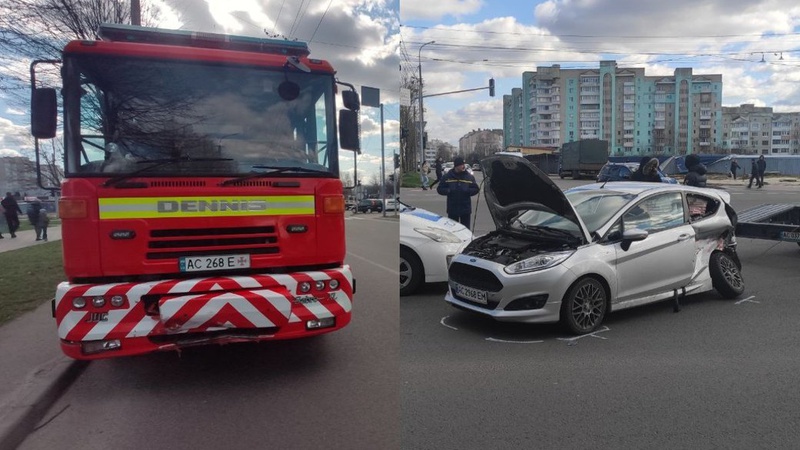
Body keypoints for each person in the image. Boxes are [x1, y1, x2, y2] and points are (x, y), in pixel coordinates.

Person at [436, 156, 480, 228]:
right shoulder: (447, 177)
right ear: (456, 166)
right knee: (453, 230)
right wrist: (448, 191)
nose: (463, 166)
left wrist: (467, 191)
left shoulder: (469, 177)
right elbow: (440, 189)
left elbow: (476, 189)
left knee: (466, 230)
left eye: (464, 164)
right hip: (452, 208)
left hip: (465, 208)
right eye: (461, 165)